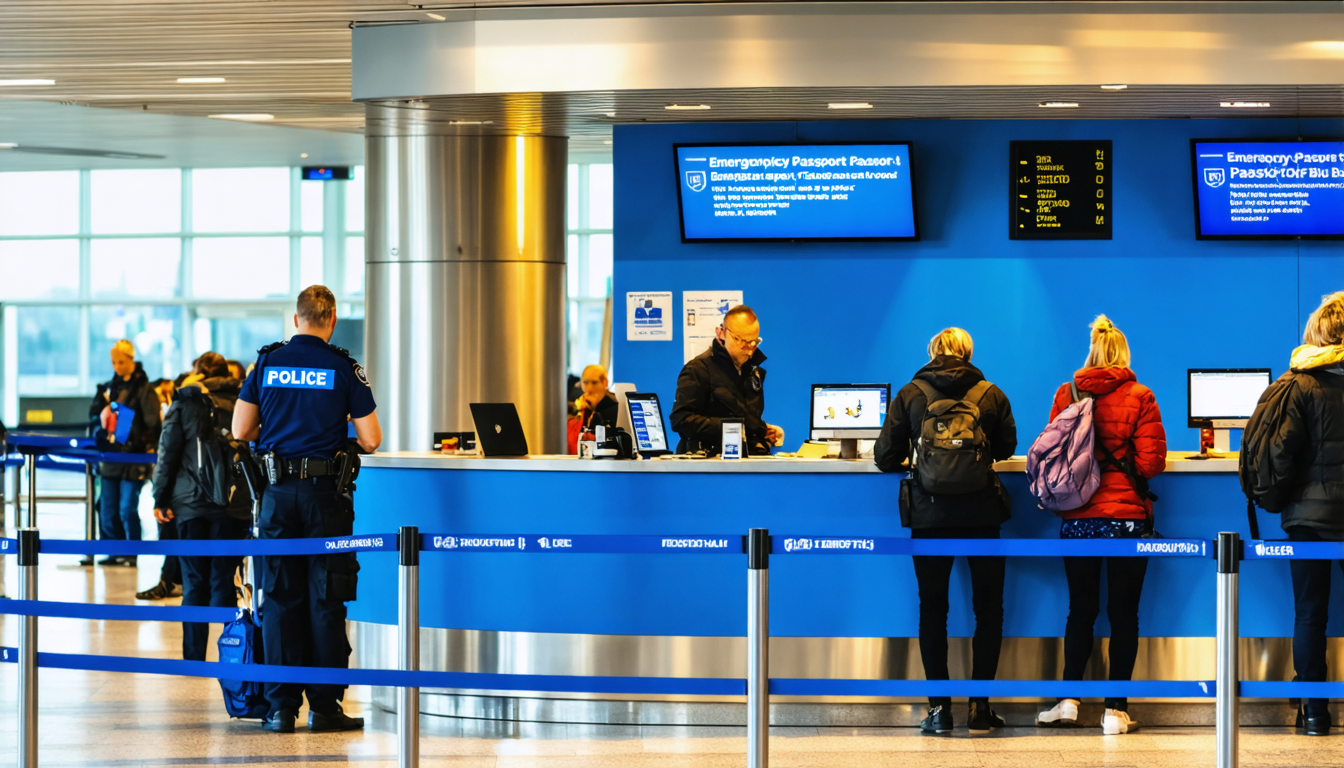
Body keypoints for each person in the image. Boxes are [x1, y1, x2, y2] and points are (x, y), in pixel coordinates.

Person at [233, 285, 382, 734]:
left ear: (296, 319)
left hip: (277, 497)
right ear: (331, 318)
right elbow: (372, 439)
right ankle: (324, 707)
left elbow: (241, 428)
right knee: (326, 597)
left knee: (278, 598)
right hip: (325, 499)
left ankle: (280, 709)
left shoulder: (267, 362)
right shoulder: (343, 367)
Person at [873, 327, 1017, 735]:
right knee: (988, 610)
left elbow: (885, 456)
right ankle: (980, 710)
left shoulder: (911, 393)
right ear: (969, 353)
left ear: (932, 353)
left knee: (933, 609)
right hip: (982, 515)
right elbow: (1007, 448)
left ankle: (939, 711)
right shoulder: (990, 394)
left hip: (929, 515)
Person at [1035, 315, 1166, 736]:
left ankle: (1069, 701)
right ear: (1123, 354)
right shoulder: (1140, 396)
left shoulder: (1067, 393)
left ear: (1091, 351)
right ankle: (1115, 710)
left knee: (1081, 609)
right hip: (1127, 520)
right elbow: (1152, 463)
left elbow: (1051, 452)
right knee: (1124, 613)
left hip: (1079, 518)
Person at [1262, 292, 1344, 736]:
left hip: (1309, 517)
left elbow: (1281, 452)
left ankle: (1315, 712)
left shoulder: (1299, 385)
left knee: (1310, 611)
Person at [148, 352, 251, 657]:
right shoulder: (245, 399)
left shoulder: (186, 401)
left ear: (198, 373)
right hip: (233, 504)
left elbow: (167, 453)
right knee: (223, 579)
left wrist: (160, 497)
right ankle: (228, 652)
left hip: (190, 505)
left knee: (194, 581)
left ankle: (193, 658)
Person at [669, 305, 783, 455]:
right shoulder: (698, 369)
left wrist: (763, 430)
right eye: (740, 340)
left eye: (754, 342)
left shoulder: (752, 371)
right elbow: (681, 420)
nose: (749, 349)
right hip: (707, 461)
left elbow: (742, 417)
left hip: (747, 460)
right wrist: (731, 428)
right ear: (721, 333)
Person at [88, 340, 161, 567]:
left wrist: (149, 448)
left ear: (131, 360)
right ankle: (114, 550)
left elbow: (154, 424)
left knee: (126, 507)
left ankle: (131, 552)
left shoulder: (145, 390)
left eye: (121, 361)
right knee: (107, 508)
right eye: (113, 362)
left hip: (135, 457)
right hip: (111, 456)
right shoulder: (108, 389)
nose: (117, 366)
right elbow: (94, 417)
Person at [136, 378, 184, 600]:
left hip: (181, 491)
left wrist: (161, 499)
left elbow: (167, 457)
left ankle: (169, 581)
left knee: (171, 531)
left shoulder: (180, 410)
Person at [567, 364, 620, 454]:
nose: (589, 388)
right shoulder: (579, 407)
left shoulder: (616, 407)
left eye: (594, 382)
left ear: (605, 383)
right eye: (586, 383)